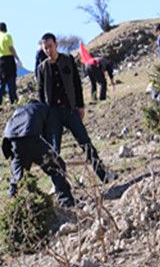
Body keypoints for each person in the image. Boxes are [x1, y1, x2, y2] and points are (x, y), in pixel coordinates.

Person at [35, 33, 112, 183]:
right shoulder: (42, 68)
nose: (48, 50)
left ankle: (103, 175)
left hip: (70, 109)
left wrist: (80, 105)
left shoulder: (68, 60)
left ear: (56, 45)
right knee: (53, 150)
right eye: (45, 48)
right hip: (53, 114)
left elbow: (77, 84)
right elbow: (40, 94)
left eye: (50, 46)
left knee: (85, 142)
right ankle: (59, 184)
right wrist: (44, 116)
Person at [1, 102, 74, 207]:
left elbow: (7, 132)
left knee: (18, 177)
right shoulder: (45, 109)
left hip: (14, 142)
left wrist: (10, 154)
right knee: (57, 167)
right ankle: (66, 201)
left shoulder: (19, 110)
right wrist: (51, 152)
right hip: (32, 138)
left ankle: (12, 207)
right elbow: (49, 134)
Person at [0, 22, 23, 105]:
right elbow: (11, 48)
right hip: (9, 60)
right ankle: (13, 100)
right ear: (5, 28)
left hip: (0, 61)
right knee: (11, 80)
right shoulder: (7, 36)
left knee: (1, 81)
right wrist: (17, 58)